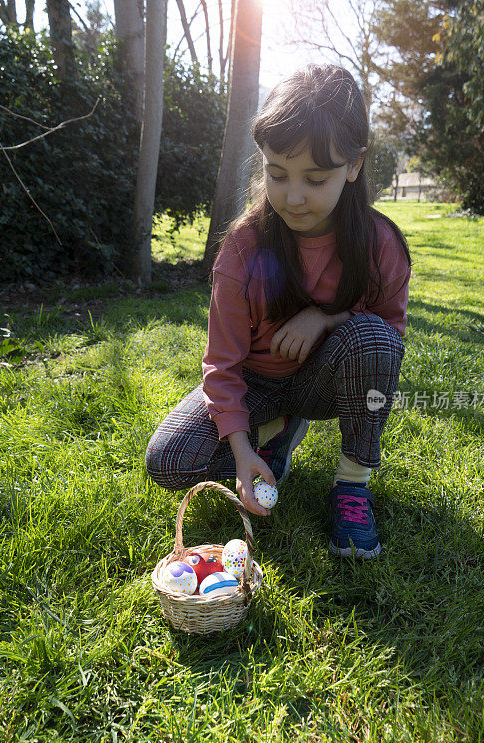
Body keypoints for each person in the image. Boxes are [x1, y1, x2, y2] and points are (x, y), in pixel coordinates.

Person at [146, 64, 411, 560]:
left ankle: (352, 487)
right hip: (257, 384)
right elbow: (222, 364)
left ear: (353, 166)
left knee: (373, 339)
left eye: (315, 178)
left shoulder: (379, 244)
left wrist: (328, 318)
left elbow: (390, 337)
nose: (293, 196)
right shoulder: (243, 249)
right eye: (276, 174)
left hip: (324, 381)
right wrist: (242, 450)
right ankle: (274, 434)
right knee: (168, 462)